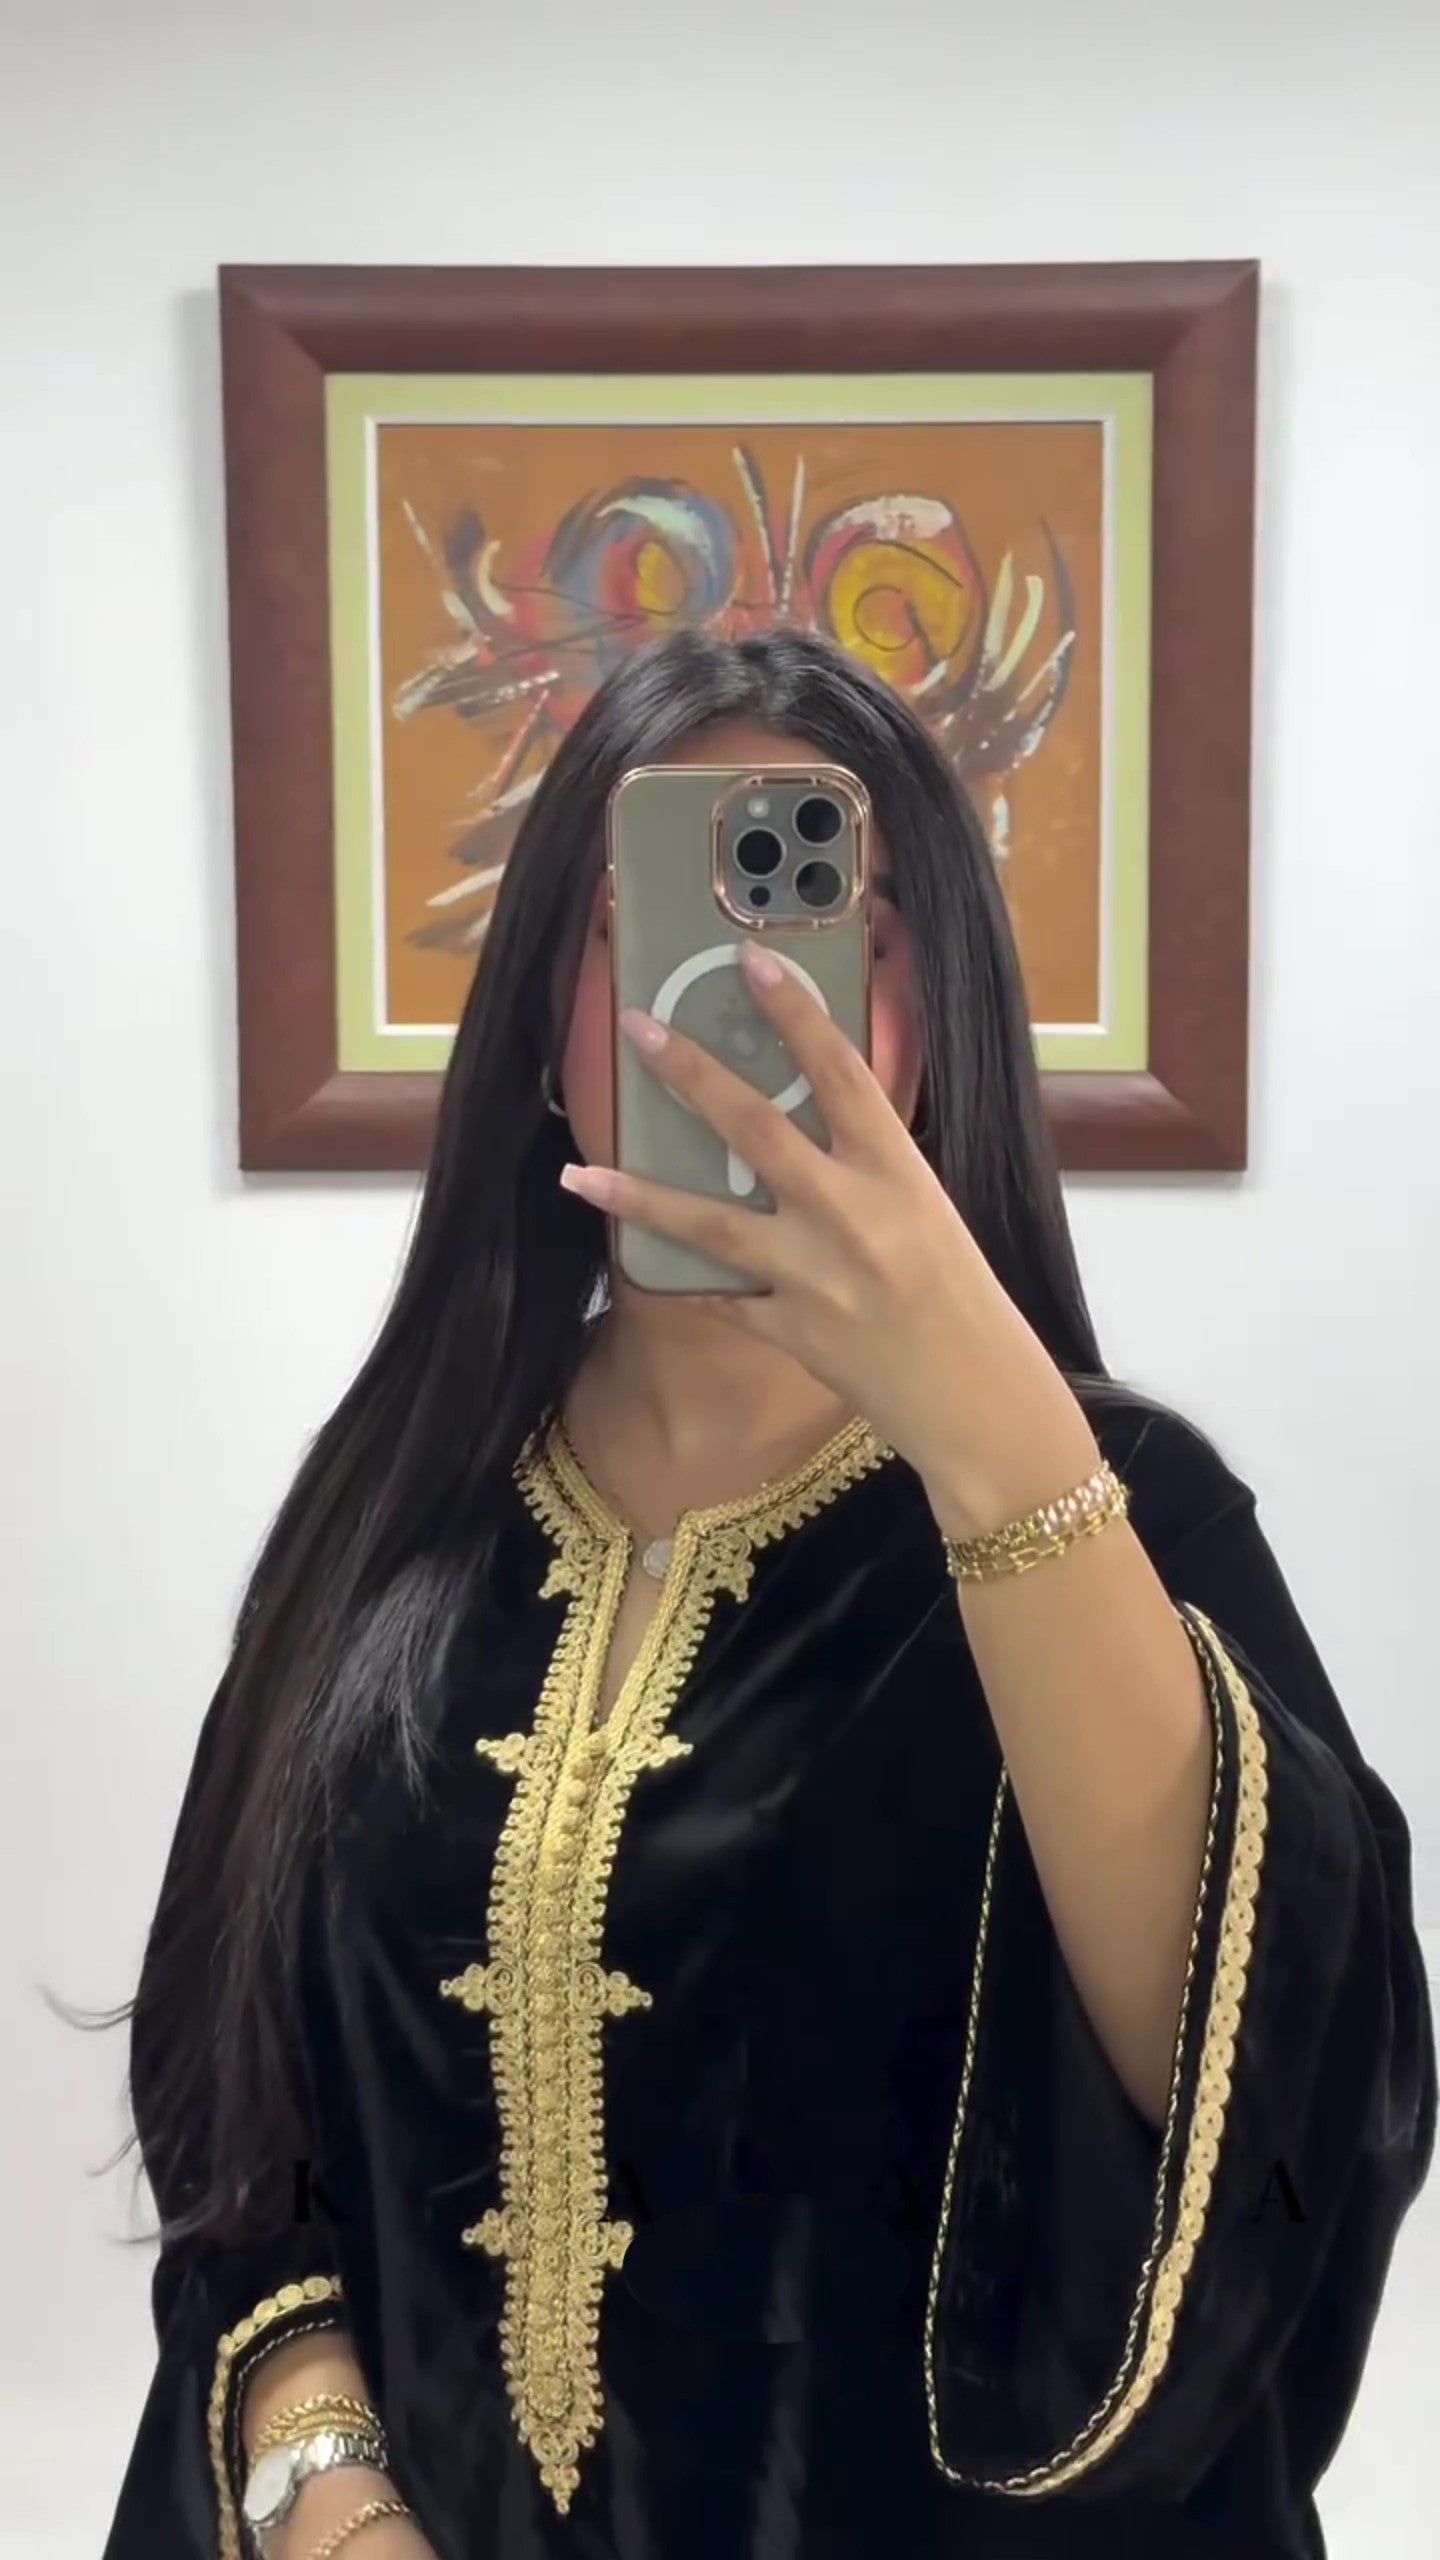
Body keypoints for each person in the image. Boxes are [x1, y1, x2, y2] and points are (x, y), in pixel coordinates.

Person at [103, 629, 1433, 2560]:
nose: (747, 1005)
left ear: (932, 1024)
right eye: (646, 926)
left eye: (839, 937)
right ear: (543, 1022)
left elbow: (1272, 2129)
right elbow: (234, 2108)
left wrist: (994, 1429)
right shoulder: (390, 1524)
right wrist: (325, 2492)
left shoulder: (1127, 1518)